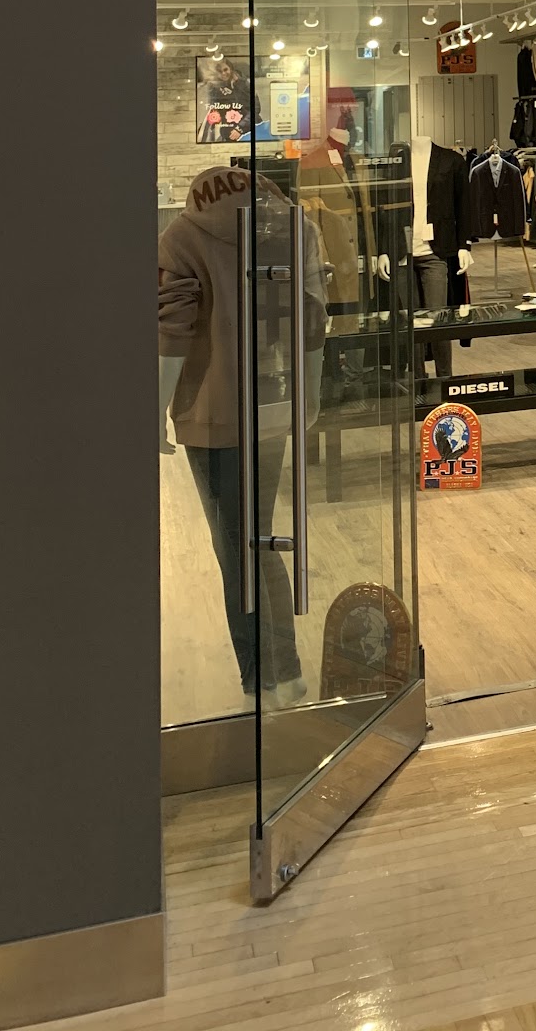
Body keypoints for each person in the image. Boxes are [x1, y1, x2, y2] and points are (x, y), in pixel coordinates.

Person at [159, 163, 328, 706]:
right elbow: (313, 319)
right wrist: (308, 395)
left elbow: (172, 332)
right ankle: (286, 671)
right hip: (274, 404)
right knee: (260, 538)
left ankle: (262, 680)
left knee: (235, 548)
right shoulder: (292, 224)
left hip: (214, 413)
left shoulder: (182, 236)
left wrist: (154, 409)